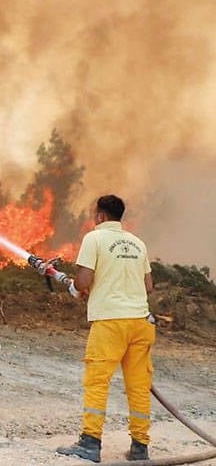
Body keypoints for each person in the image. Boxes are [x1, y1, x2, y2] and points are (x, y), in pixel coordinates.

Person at [57, 194, 154, 463]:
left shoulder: (94, 238)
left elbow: (84, 279)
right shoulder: (137, 243)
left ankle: (90, 443)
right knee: (138, 386)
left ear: (100, 216)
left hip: (110, 323)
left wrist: (76, 288)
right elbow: (148, 286)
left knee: (97, 381)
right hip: (141, 323)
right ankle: (140, 447)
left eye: (93, 213)